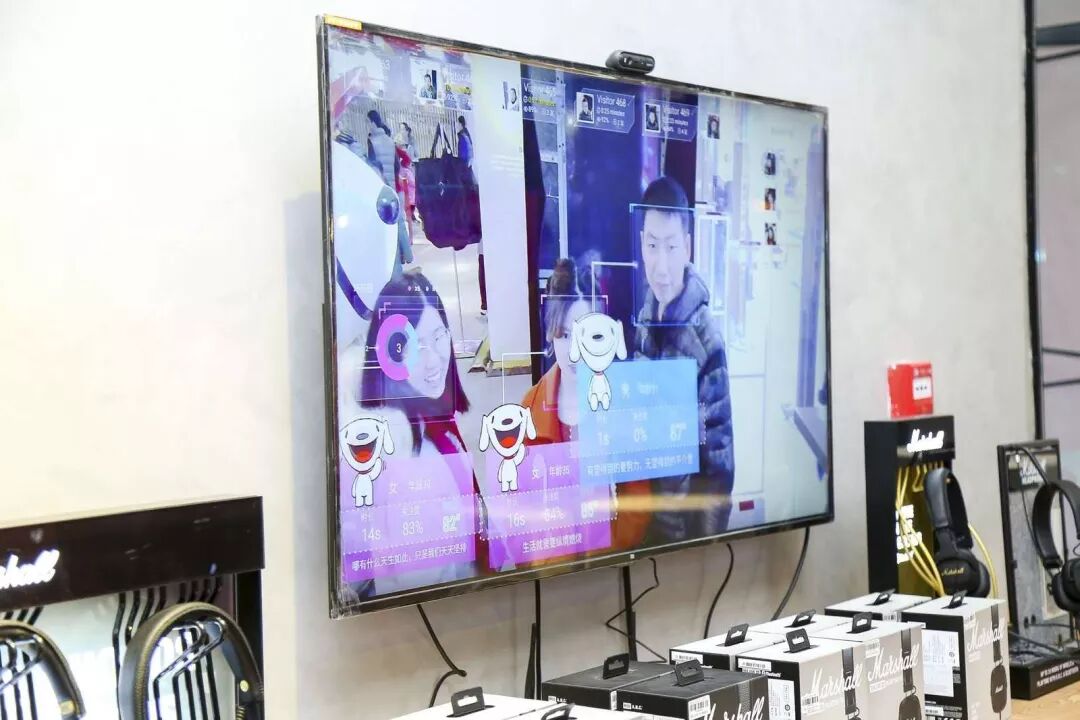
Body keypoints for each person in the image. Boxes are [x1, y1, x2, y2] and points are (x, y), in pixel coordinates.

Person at [355, 273, 489, 593]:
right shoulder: (410, 459)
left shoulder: (435, 421)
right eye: (413, 346)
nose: (432, 360)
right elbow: (424, 585)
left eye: (438, 336)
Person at [521, 258, 651, 551]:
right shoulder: (529, 407)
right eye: (566, 335)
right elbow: (519, 513)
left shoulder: (622, 403)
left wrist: (609, 552)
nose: (575, 352)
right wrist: (549, 564)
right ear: (551, 331)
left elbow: (638, 501)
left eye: (587, 335)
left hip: (610, 562)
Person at [634, 176, 734, 542]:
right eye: (652, 246)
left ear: (687, 247)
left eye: (672, 247)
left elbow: (719, 465)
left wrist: (702, 551)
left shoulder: (706, 338)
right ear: (641, 244)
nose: (661, 265)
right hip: (641, 523)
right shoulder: (644, 318)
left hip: (680, 538)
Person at [366, 109, 413, 266]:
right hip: (393, 187)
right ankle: (408, 255)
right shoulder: (389, 141)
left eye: (368, 122)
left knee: (387, 228)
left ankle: (395, 263)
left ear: (372, 122)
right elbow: (397, 166)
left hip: (381, 189)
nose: (368, 125)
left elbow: (373, 167)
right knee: (399, 223)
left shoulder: (371, 141)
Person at [395, 122, 418, 241]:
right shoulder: (399, 150)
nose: (401, 130)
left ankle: (409, 238)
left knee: (407, 214)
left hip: (406, 186)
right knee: (407, 214)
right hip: (405, 186)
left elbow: (413, 157)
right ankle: (409, 238)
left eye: (403, 129)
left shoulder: (410, 144)